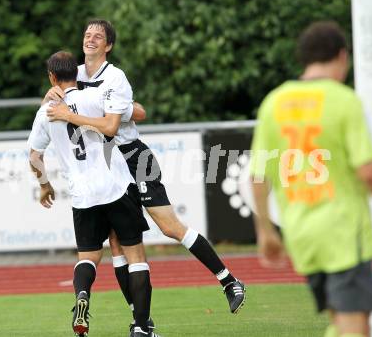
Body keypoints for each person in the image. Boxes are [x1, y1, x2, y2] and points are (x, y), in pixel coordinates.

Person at [44, 19, 246, 324]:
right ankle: (141, 322)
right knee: (118, 245)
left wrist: (75, 112)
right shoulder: (75, 76)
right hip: (106, 161)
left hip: (132, 155)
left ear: (108, 45)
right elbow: (56, 100)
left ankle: (229, 280)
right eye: (87, 34)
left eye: (98, 36)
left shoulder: (114, 77)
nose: (91, 39)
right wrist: (52, 98)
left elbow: (126, 118)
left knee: (169, 226)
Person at [250, 21, 372, 337]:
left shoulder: (274, 102)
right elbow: (367, 170)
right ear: (341, 56)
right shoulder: (343, 100)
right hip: (345, 232)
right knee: (355, 327)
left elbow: (258, 175)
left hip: (302, 234)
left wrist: (266, 231)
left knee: (341, 322)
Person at [28, 51, 161, 337]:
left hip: (82, 196)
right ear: (76, 75)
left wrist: (44, 185)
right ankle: (141, 328)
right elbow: (130, 115)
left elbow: (34, 156)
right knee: (136, 256)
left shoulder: (45, 113)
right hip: (114, 187)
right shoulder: (95, 97)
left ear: (51, 78)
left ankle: (82, 297)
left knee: (87, 257)